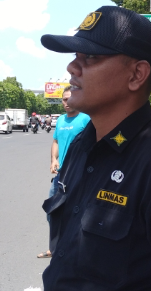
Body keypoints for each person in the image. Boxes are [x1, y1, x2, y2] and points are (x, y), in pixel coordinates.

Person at [39, 5, 151, 291]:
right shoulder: (83, 144)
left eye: (91, 57)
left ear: (137, 75)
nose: (72, 67)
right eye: (75, 57)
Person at [37, 85, 90, 259]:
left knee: (78, 212)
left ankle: (77, 249)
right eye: (63, 99)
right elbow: (56, 142)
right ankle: (54, 248)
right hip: (61, 175)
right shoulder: (60, 120)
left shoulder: (86, 119)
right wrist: (54, 159)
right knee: (53, 210)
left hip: (80, 174)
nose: (66, 103)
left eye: (69, 99)